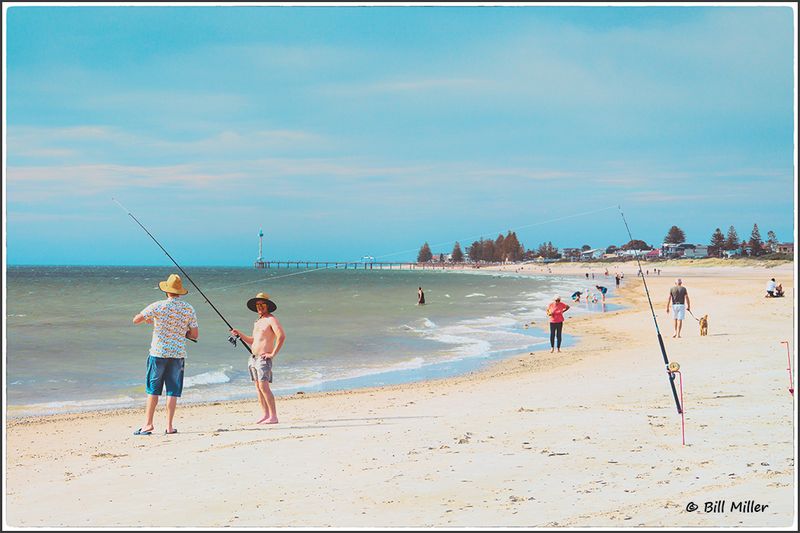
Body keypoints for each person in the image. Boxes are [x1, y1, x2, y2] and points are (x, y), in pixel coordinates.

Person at [132, 274, 199, 436]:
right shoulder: (188, 308)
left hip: (158, 353)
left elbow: (136, 319)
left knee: (153, 390)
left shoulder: (158, 306)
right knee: (172, 391)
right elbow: (194, 335)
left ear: (166, 291)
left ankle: (148, 424)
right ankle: (169, 426)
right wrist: (181, 331)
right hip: (177, 355)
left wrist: (149, 320)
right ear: (180, 291)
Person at [230, 292, 286, 425]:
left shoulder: (271, 319)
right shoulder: (258, 321)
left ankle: (273, 416)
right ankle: (265, 414)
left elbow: (281, 336)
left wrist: (272, 353)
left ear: (267, 306)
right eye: (257, 305)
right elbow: (253, 340)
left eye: (262, 304)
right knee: (258, 388)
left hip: (263, 359)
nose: (259, 307)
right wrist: (239, 334)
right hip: (253, 358)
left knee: (264, 387)